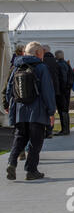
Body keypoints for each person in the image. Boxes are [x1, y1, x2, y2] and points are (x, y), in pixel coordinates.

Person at [5, 41, 56, 181]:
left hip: (20, 110)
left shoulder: (17, 66)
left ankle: (11, 162)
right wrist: (51, 112)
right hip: (37, 111)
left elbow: (9, 88)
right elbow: (47, 91)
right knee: (35, 141)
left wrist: (9, 105)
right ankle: (31, 170)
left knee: (20, 137)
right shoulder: (41, 67)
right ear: (38, 53)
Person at [42, 45, 62, 138]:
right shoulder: (55, 61)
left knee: (44, 109)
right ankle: (50, 130)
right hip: (55, 88)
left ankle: (45, 130)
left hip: (45, 87)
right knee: (52, 110)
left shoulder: (42, 62)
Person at [55, 50, 74, 135]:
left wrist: (61, 88)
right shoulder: (66, 64)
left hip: (63, 90)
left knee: (62, 110)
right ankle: (66, 129)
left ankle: (65, 129)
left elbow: (63, 78)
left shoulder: (60, 65)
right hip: (66, 89)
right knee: (65, 110)